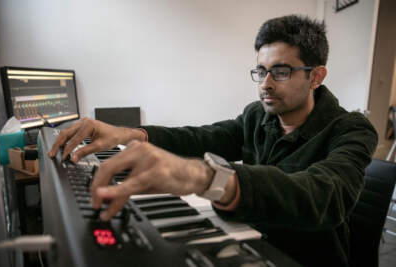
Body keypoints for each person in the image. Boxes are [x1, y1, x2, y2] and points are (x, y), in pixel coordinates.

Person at [48, 15, 378, 267]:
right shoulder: (257, 115)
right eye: (260, 71)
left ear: (316, 76)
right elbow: (203, 137)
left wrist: (206, 177)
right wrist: (132, 133)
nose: (265, 84)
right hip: (252, 241)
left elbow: (325, 193)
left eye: (280, 71)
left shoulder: (351, 130)